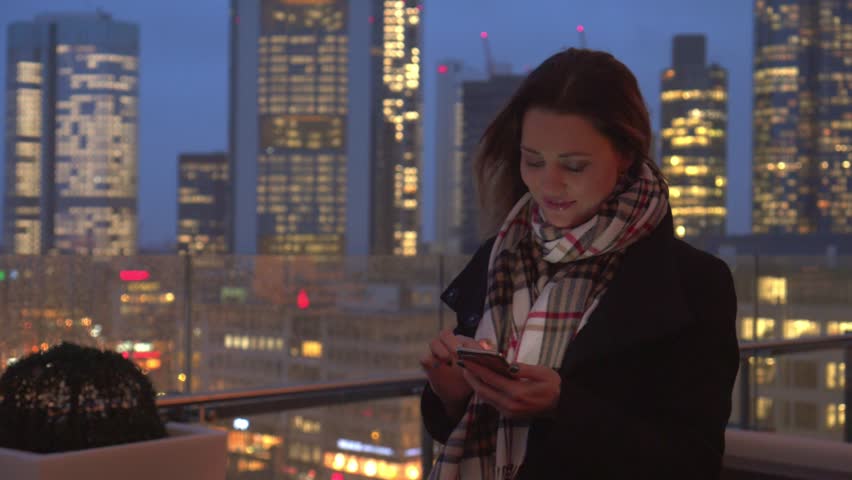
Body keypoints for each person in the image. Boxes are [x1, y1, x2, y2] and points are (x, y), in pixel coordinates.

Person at [419, 48, 739, 479]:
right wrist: (451, 395)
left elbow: (693, 462)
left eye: (574, 166)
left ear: (625, 154)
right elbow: (459, 430)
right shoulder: (500, 256)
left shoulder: (696, 282)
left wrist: (563, 406)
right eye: (533, 160)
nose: (548, 184)